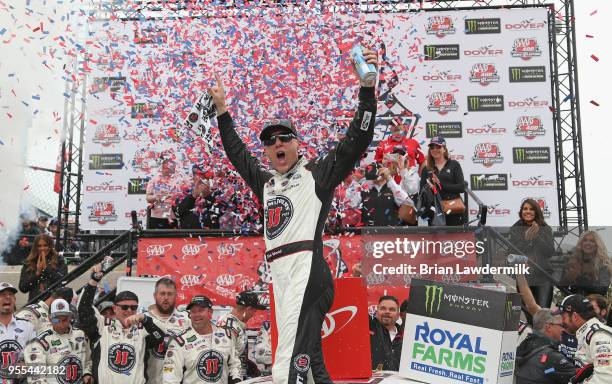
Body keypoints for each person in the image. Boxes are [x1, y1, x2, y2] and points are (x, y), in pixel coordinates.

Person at [209, 45, 378, 384]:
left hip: (306, 269)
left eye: (284, 137)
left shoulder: (317, 174)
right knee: (309, 359)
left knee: (288, 359)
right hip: (283, 274)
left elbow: (357, 140)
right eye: (269, 142)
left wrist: (367, 91)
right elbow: (238, 156)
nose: (276, 144)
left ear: (298, 144)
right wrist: (223, 112)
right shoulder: (267, 183)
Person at [77, 263, 166, 383]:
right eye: (124, 307)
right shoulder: (103, 325)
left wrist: (145, 319)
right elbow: (84, 309)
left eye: (133, 307)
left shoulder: (143, 329)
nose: (129, 311)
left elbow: (160, 337)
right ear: (115, 308)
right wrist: (94, 281)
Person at [162, 295, 241, 384]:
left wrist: (236, 379)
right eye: (193, 311)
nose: (197, 315)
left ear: (210, 312)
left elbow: (234, 364)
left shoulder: (227, 335)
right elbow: (170, 379)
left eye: (201, 310)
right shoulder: (179, 341)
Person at [24, 299, 93, 383]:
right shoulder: (39, 343)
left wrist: (87, 374)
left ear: (70, 317)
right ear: (49, 318)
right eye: (56, 320)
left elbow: (88, 361)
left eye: (64, 320)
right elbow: (36, 378)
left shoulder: (80, 335)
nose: (60, 324)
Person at [555, 294, 612, 383]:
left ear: (575, 316)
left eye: (564, 317)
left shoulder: (598, 336)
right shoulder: (586, 333)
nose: (562, 322)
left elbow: (606, 379)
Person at [509, 199, 555, 309]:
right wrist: (526, 239)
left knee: (543, 313)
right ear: (521, 211)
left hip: (542, 276)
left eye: (531, 209)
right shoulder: (514, 229)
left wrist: (537, 237)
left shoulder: (545, 228)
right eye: (525, 209)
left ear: (537, 212)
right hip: (524, 277)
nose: (528, 211)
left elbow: (549, 252)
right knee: (529, 311)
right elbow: (511, 253)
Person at [145, 277, 190, 384]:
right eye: (162, 294)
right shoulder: (144, 319)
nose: (166, 298)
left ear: (176, 296)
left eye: (170, 294)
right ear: (155, 295)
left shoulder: (186, 319)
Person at [514, 309, 576, 384]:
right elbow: (578, 377)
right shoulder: (553, 358)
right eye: (562, 325)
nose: (563, 330)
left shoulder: (523, 345)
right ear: (548, 327)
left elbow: (546, 371)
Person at [217, 290, 267, 379]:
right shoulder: (228, 326)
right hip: (230, 378)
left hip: (239, 375)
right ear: (248, 309)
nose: (253, 315)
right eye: (254, 311)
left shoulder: (236, 323)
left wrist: (247, 363)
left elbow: (236, 352)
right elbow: (224, 358)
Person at [418, 136, 465, 226]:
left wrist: (441, 185)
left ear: (444, 149)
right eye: (432, 147)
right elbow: (422, 192)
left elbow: (461, 187)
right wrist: (429, 188)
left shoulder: (454, 164)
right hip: (434, 211)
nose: (435, 149)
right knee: (436, 239)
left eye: (438, 147)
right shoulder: (426, 169)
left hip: (453, 208)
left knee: (455, 239)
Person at [0, 282, 35, 382]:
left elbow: (36, 354)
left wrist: (26, 363)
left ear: (14, 300)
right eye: (2, 295)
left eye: (11, 295)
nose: (8, 297)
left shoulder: (27, 326)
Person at [360, 162, 413, 226]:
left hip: (389, 231)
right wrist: (356, 181)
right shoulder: (364, 189)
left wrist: (389, 178)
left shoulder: (393, 188)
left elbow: (408, 203)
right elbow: (351, 205)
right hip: (368, 232)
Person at [18, 234, 68, 302]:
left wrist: (46, 269)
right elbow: (23, 288)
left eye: (45, 245)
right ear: (35, 247)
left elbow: (63, 281)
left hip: (54, 303)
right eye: (39, 246)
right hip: (34, 303)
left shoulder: (59, 260)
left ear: (50, 246)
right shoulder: (29, 262)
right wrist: (37, 274)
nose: (42, 248)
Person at [560, 231, 611, 297]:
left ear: (597, 245)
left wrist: (581, 282)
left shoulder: (603, 264)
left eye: (592, 241)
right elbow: (563, 286)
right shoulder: (573, 261)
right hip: (573, 303)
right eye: (585, 240)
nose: (587, 243)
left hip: (594, 304)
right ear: (581, 244)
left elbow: (602, 290)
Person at [175, 164, 226, 229]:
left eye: (204, 176)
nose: (200, 179)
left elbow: (223, 210)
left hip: (211, 237)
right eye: (196, 175)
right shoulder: (181, 193)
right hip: (187, 236)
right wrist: (193, 196)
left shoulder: (219, 194)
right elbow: (178, 213)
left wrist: (207, 196)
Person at [146, 156, 185, 229]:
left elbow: (184, 199)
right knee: (155, 240)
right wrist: (157, 197)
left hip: (173, 217)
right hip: (157, 216)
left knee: (173, 240)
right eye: (165, 168)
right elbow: (148, 198)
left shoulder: (179, 181)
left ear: (174, 168)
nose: (167, 170)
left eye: (170, 168)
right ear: (162, 168)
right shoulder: (154, 180)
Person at [369, 295, 402, 371]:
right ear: (377, 311)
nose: (387, 312)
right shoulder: (367, 328)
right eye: (383, 308)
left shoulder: (406, 336)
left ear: (398, 315)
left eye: (392, 309)